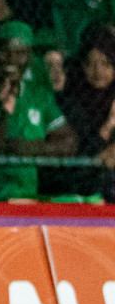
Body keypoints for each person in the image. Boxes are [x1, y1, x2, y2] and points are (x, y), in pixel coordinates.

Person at [0, 22, 76, 201]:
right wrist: (3, 109)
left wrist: (30, 148)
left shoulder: (38, 94)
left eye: (20, 53)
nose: (12, 59)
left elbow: (68, 142)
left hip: (25, 194)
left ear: (29, 57)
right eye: (5, 51)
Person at [54, 27, 115, 200]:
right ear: (82, 65)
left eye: (106, 64)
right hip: (80, 181)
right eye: (90, 64)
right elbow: (83, 151)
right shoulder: (71, 100)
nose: (98, 72)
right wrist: (108, 126)